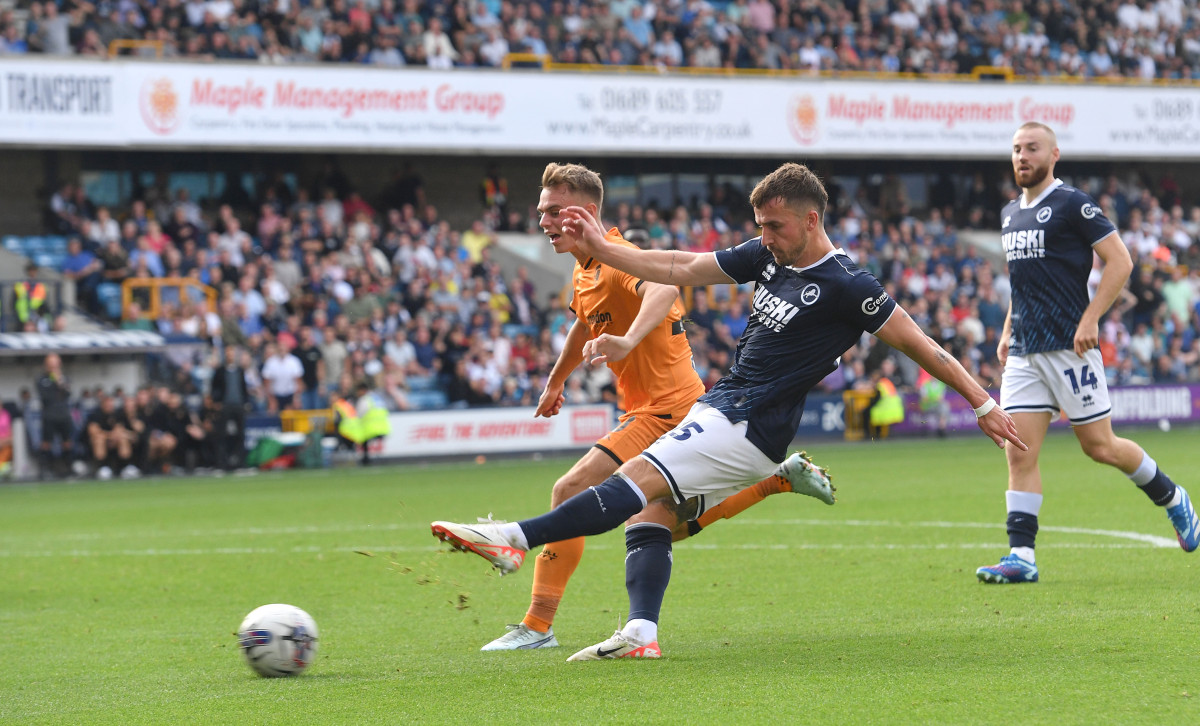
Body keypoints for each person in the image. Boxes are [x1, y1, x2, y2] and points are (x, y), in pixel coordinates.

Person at [433, 162, 1025, 660]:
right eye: (760, 225)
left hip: (748, 423)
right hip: (725, 407)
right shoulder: (767, 257)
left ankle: (513, 538)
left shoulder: (849, 284)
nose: (765, 236)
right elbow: (682, 268)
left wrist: (982, 402)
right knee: (652, 518)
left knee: (631, 482)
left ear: (811, 220)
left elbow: (924, 347)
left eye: (775, 226)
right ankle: (641, 632)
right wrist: (605, 248)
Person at [474, 163, 836, 654]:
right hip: (651, 408)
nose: (544, 221)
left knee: (570, 489)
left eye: (555, 211)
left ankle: (538, 624)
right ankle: (776, 481)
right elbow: (583, 324)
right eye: (542, 211)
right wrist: (556, 382)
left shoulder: (620, 258)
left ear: (588, 212)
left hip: (667, 409)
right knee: (658, 523)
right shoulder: (585, 271)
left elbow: (665, 287)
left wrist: (625, 340)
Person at [975, 123, 1198, 585]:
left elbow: (1121, 260)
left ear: (1053, 154)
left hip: (1069, 347)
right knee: (1019, 453)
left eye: (1032, 148)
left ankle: (1173, 498)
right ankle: (1021, 556)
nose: (1022, 156)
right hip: (1025, 351)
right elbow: (1022, 281)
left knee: (1100, 447)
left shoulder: (1073, 204)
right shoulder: (1010, 213)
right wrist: (1007, 329)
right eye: (1016, 149)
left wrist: (1092, 318)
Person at [35, 354, 75, 478]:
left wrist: (59, 380)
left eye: (55, 363)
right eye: (50, 363)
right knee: (46, 443)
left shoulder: (64, 378)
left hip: (63, 414)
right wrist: (53, 382)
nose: (53, 366)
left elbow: (68, 393)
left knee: (67, 442)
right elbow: (45, 397)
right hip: (49, 415)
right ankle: (46, 469)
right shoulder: (41, 379)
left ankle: (68, 468)